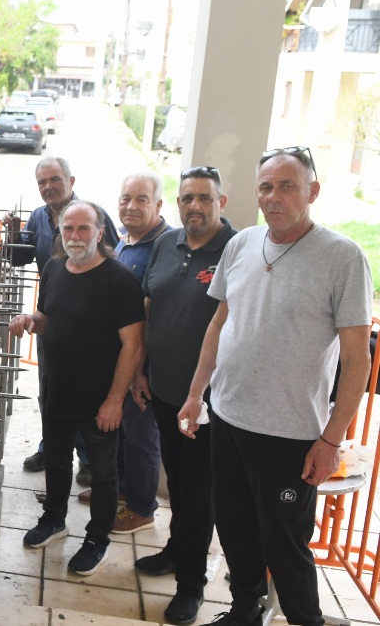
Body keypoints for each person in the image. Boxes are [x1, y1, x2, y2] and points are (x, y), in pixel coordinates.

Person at [180, 148, 372, 626]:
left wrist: (330, 439)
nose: (274, 196)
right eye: (266, 187)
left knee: (285, 547)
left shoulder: (342, 257)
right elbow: (219, 322)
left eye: (287, 185)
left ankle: (306, 620)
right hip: (227, 419)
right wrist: (196, 392)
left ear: (313, 191)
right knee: (235, 530)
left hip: (290, 436)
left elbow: (356, 360)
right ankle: (243, 612)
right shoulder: (242, 244)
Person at [9, 201, 145, 575]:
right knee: (55, 460)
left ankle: (97, 538)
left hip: (100, 400)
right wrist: (30, 319)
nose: (74, 237)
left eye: (83, 229)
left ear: (100, 233)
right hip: (57, 390)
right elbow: (49, 316)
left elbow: (134, 346)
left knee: (103, 475)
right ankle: (54, 519)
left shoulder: (120, 281)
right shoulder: (53, 268)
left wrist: (115, 401)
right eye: (68, 229)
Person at [133, 166, 237, 624]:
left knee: (195, 496)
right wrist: (139, 371)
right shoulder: (164, 243)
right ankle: (176, 551)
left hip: (208, 405)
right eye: (187, 198)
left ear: (222, 203)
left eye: (204, 198)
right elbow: (148, 308)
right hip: (164, 392)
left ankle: (191, 586)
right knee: (177, 484)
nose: (194, 206)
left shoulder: (235, 250)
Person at [3, 157, 120, 483]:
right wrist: (12, 234)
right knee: (51, 388)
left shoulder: (92, 214)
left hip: (90, 319)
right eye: (41, 182)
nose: (48, 187)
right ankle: (51, 446)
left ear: (71, 180)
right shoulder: (39, 216)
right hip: (50, 315)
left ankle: (86, 458)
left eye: (54, 179)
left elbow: (114, 260)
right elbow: (19, 257)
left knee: (85, 389)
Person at [78, 171, 171, 532]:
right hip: (116, 361)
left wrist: (139, 372)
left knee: (141, 437)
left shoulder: (163, 245)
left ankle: (142, 507)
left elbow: (149, 315)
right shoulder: (125, 241)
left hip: (141, 365)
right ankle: (119, 490)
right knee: (119, 432)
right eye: (124, 198)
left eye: (141, 199)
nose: (130, 206)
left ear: (158, 205)